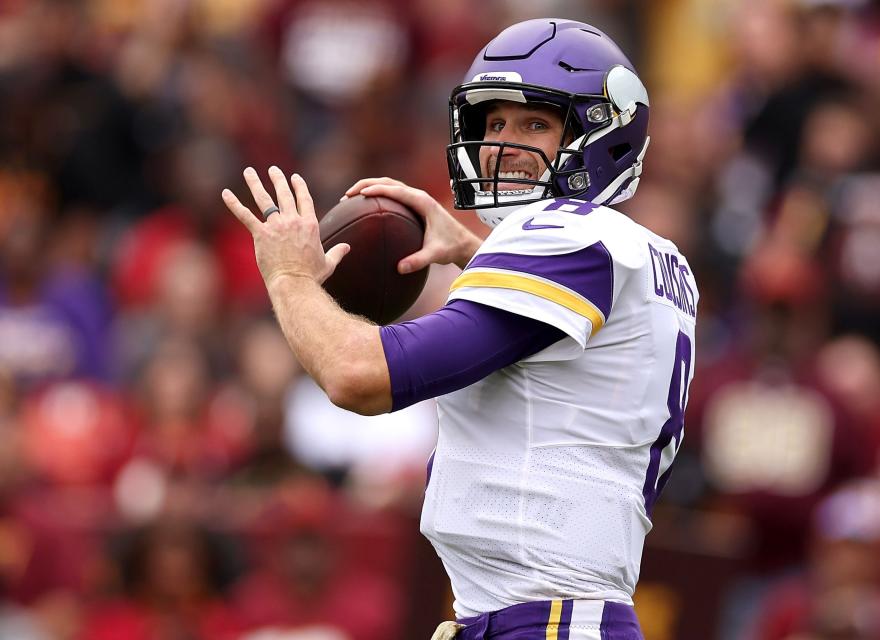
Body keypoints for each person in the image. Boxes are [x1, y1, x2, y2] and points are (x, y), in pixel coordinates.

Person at [222, 18, 698, 640]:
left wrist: (287, 275)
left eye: (535, 124)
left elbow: (358, 376)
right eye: (494, 124)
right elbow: (555, 372)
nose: (504, 144)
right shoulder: (649, 257)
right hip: (553, 611)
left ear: (602, 132)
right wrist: (478, 254)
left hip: (545, 620)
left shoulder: (569, 235)